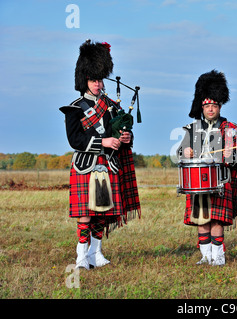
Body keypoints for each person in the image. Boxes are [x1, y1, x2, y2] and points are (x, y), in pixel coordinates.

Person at [60, 40, 141, 270]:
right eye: (94, 80)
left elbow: (123, 134)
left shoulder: (112, 107)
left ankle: (96, 254)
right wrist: (103, 141)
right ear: (84, 80)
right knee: (85, 214)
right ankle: (81, 258)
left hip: (109, 164)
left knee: (101, 213)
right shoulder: (75, 108)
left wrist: (126, 139)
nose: (98, 84)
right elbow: (75, 140)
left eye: (100, 79)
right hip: (86, 165)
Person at [177, 70, 237, 266]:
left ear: (219, 106)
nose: (210, 109)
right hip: (197, 183)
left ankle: (219, 257)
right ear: (202, 106)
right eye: (207, 105)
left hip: (221, 181)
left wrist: (230, 156)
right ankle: (205, 256)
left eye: (214, 105)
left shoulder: (230, 127)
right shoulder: (192, 129)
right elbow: (180, 153)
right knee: (201, 219)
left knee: (216, 220)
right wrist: (186, 151)